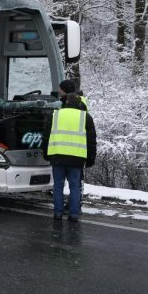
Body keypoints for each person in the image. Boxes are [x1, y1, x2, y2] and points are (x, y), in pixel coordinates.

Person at [42, 79, 97, 222]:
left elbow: (46, 136)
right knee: (75, 186)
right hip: (77, 157)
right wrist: (91, 158)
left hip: (58, 155)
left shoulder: (56, 114)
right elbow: (91, 140)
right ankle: (73, 214)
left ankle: (58, 213)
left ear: (66, 101)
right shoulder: (85, 117)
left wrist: (46, 153)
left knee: (58, 186)